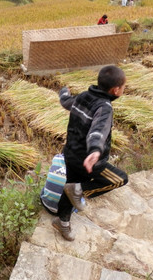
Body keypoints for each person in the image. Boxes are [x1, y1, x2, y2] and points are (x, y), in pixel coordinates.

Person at [52, 65, 129, 241]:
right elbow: (98, 131)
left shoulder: (83, 97)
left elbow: (66, 102)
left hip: (70, 154)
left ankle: (62, 222)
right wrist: (95, 151)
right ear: (116, 90)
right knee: (120, 179)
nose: (124, 89)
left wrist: (63, 92)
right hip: (88, 160)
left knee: (70, 186)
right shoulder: (104, 107)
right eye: (124, 87)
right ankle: (78, 191)